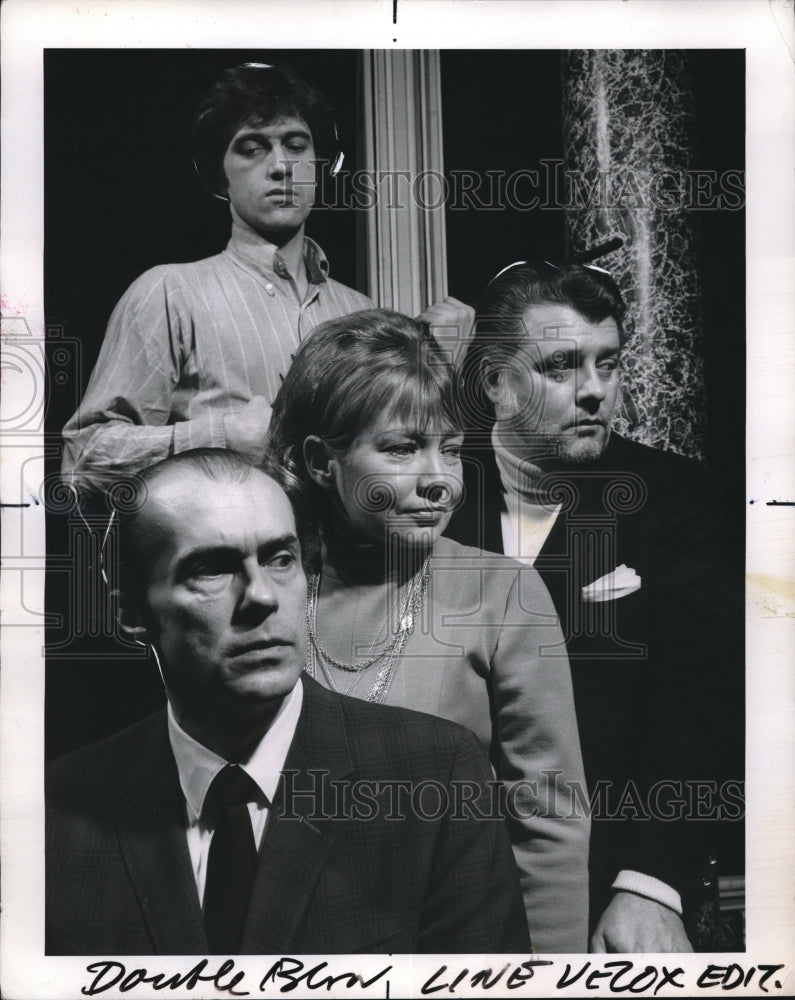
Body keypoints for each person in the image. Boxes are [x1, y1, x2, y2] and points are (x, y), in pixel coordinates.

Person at [45, 449, 530, 956]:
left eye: (281, 559)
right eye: (212, 568)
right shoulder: (56, 811)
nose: (262, 596)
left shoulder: (436, 775)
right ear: (130, 612)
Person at [268, 309, 590, 954]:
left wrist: (544, 978)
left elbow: (550, 825)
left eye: (451, 448)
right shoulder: (267, 586)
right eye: (401, 447)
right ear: (321, 461)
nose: (438, 479)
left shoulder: (503, 595)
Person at [448, 260, 744, 953]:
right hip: (441, 869)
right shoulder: (435, 490)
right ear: (495, 383)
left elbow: (699, 699)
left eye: (606, 365)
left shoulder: (674, 498)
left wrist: (648, 882)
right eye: (560, 367)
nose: (592, 392)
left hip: (604, 872)